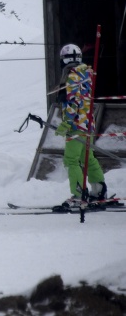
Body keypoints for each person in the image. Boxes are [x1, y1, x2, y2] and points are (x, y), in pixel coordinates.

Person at [54, 43, 106, 210]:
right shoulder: (86, 74)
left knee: (71, 160)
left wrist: (67, 122)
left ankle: (78, 195)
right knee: (88, 158)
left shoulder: (71, 76)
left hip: (76, 124)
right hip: (88, 123)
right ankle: (99, 191)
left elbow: (72, 101)